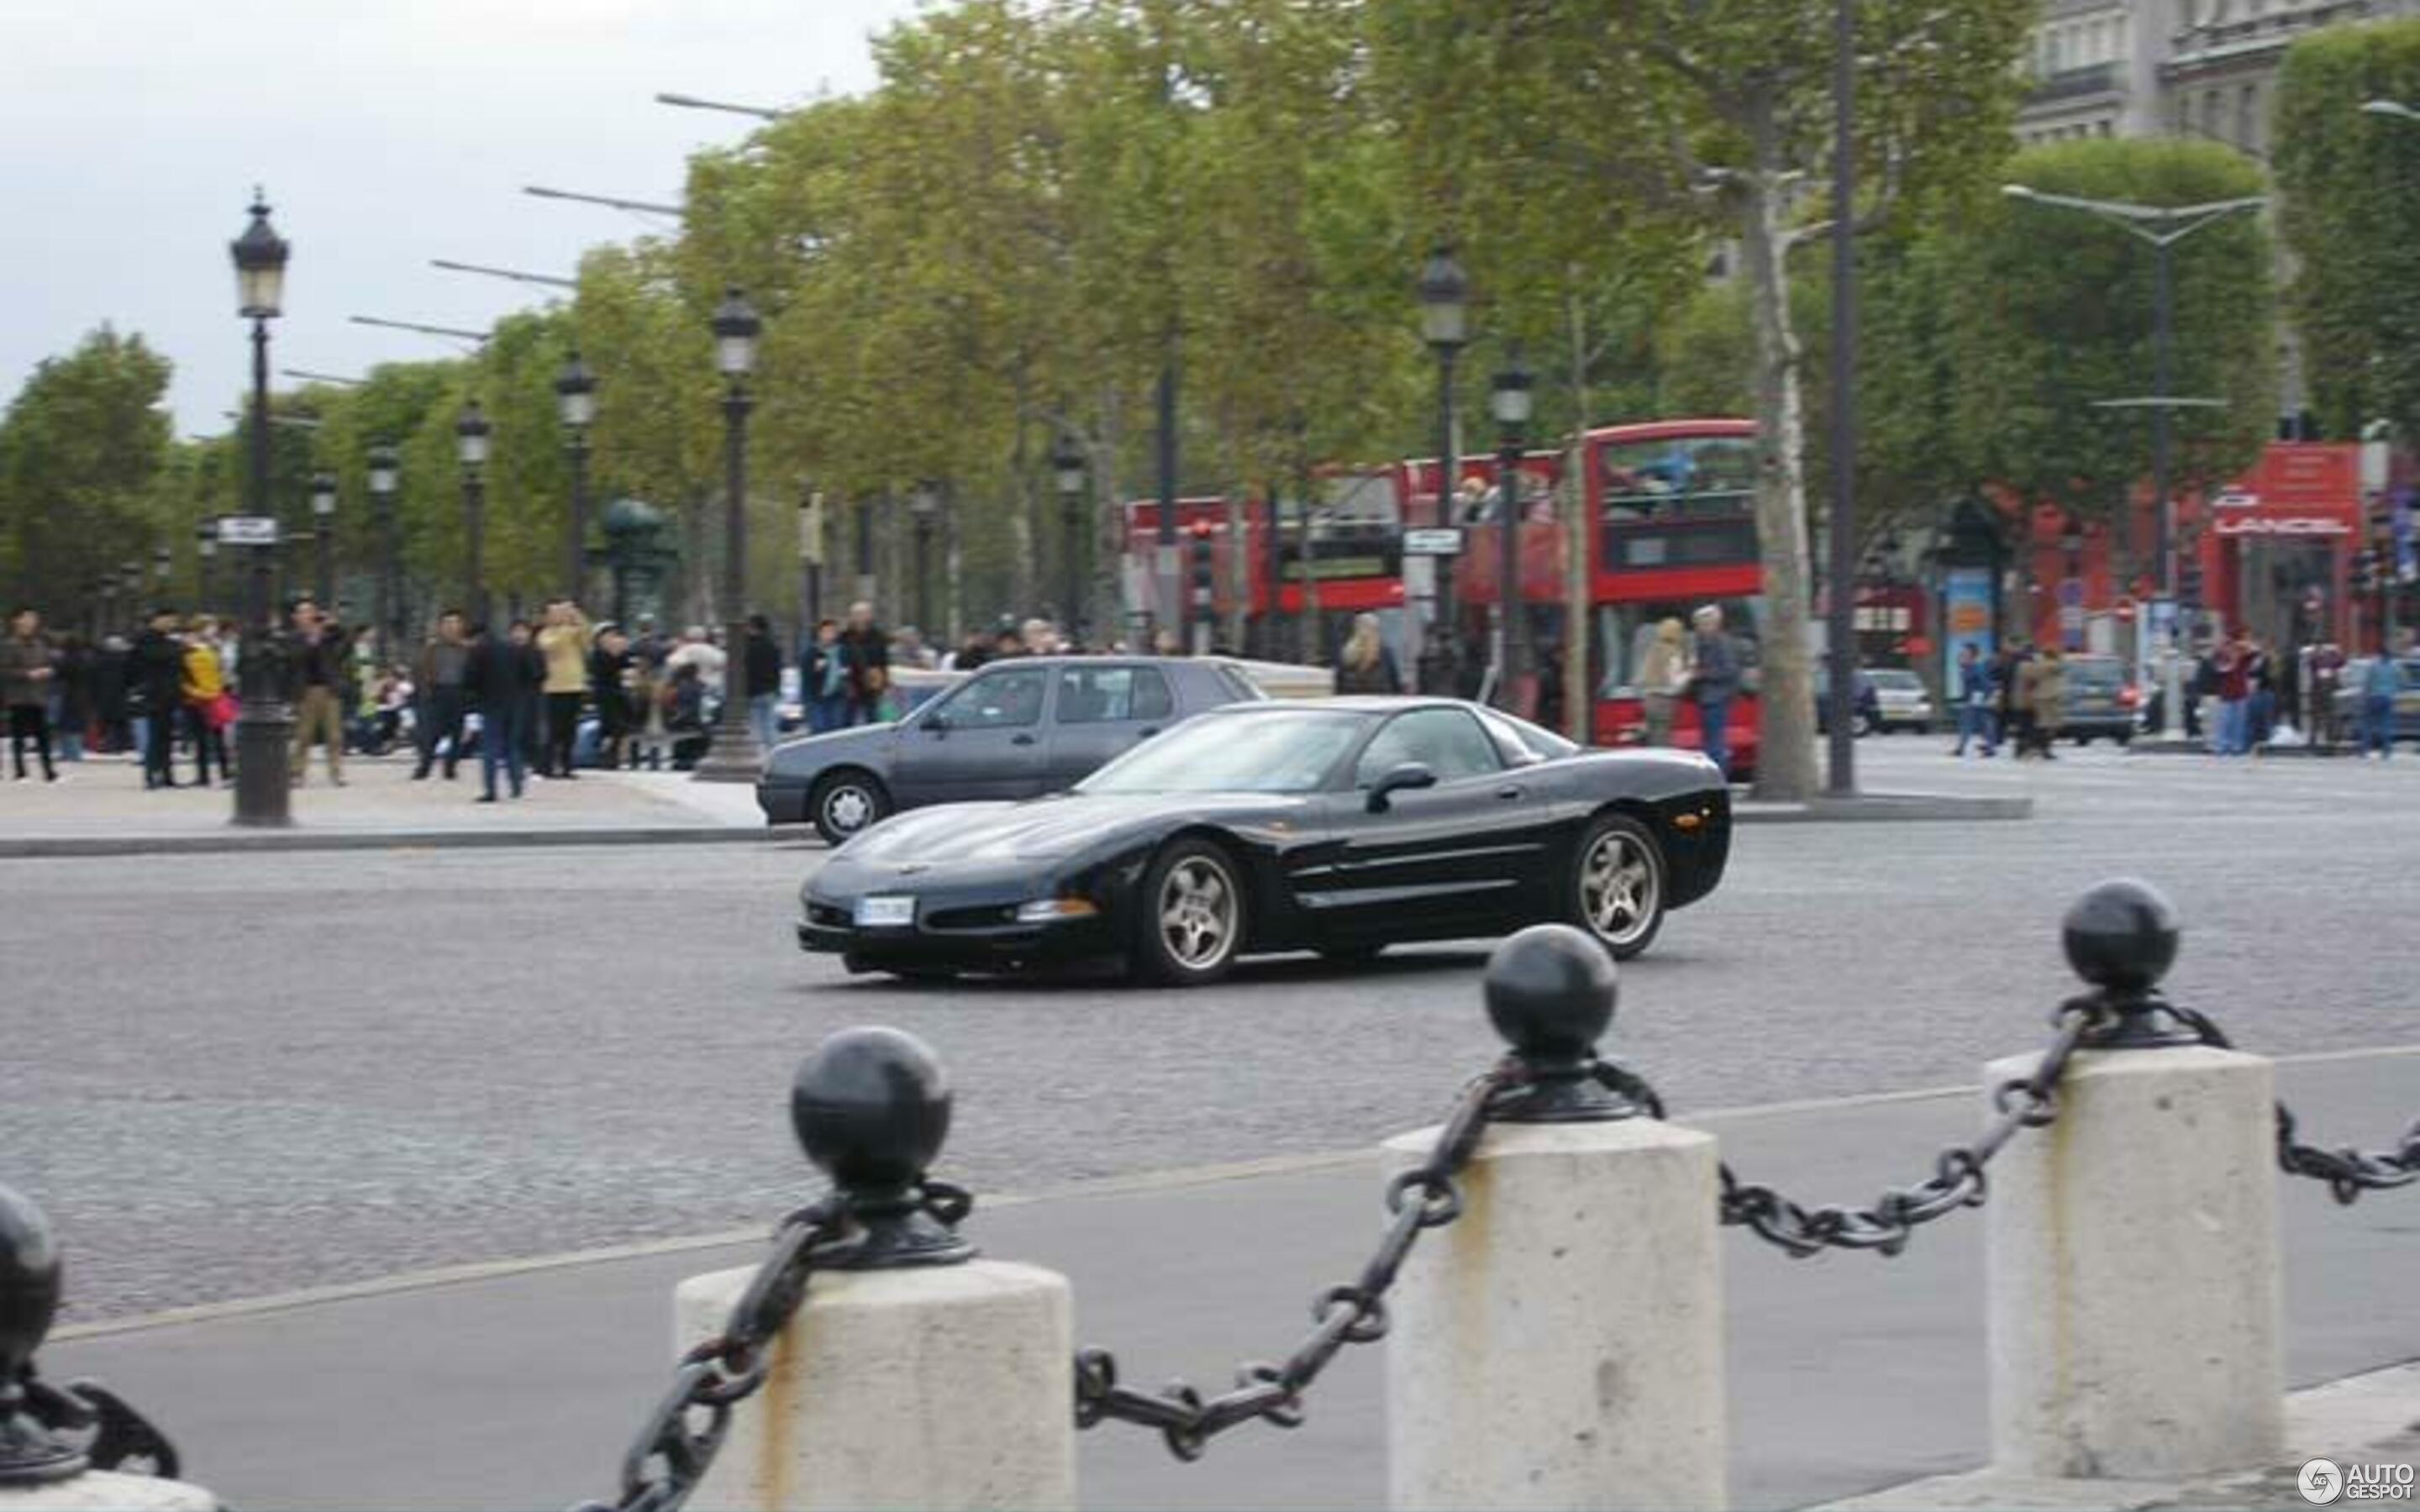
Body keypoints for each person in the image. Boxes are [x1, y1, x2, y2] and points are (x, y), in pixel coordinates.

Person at [465, 620, 541, 801]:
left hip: (490, 703)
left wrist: (475, 696)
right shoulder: (515, 649)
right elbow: (533, 674)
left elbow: (470, 678)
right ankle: (516, 786)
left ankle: (491, 790)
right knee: (513, 745)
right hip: (516, 702)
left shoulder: (478, 651)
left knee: (490, 747)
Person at [285, 599, 348, 786]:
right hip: (306, 690)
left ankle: (336, 773)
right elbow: (294, 660)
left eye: (310, 611)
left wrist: (335, 626)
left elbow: (345, 644)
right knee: (304, 734)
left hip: (329, 689)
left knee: (334, 735)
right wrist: (311, 641)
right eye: (303, 612)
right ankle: (297, 772)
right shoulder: (293, 638)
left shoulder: (327, 635)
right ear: (296, 618)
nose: (308, 616)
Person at [129, 606, 188, 790]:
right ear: (158, 620)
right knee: (155, 737)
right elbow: (156, 656)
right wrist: (179, 649)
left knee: (166, 737)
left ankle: (167, 775)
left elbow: (178, 661)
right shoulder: (145, 639)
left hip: (169, 694)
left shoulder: (168, 642)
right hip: (154, 694)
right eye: (170, 621)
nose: (173, 625)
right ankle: (151, 775)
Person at [536, 600, 593, 779]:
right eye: (554, 613)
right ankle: (547, 765)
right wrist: (567, 628)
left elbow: (587, 636)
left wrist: (577, 615)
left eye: (560, 612)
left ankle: (567, 765)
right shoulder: (544, 634)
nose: (558, 616)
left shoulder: (572, 632)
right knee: (554, 729)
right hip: (553, 687)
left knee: (570, 729)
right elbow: (553, 646)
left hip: (574, 685)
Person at [413, 612, 472, 780]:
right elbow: (422, 670)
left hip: (459, 692)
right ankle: (424, 766)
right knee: (432, 734)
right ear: (441, 627)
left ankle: (450, 767)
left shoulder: (467, 649)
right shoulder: (432, 649)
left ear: (461, 626)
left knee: (457, 733)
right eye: (447, 623)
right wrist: (425, 691)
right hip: (438, 692)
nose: (451, 627)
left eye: (455, 623)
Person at [2, 608, 60, 782]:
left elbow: (49, 663)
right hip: (18, 697)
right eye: (27, 619)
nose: (31, 622)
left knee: (43, 736)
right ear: (17, 621)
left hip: (38, 696)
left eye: (33, 619)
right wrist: (27, 674)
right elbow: (4, 671)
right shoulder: (9, 645)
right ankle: (20, 771)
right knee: (19, 736)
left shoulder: (40, 644)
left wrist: (48, 671)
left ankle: (49, 770)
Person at [1687, 604, 1740, 778]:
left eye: (1702, 624)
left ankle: (1717, 776)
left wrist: (1703, 674)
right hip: (1708, 697)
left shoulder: (1721, 643)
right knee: (1710, 741)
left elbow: (1729, 670)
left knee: (1715, 742)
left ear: (1714, 623)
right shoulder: (1705, 642)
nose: (1699, 628)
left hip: (1716, 697)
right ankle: (1713, 775)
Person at [181, 619, 231, 787]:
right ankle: (223, 773)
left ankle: (205, 776)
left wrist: (191, 691)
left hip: (198, 699)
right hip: (211, 697)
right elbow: (221, 674)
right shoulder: (212, 650)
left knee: (204, 739)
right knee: (215, 738)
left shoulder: (192, 653)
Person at [1639, 617, 1691, 748]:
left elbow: (1642, 676)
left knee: (1652, 738)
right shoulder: (1673, 652)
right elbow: (1675, 682)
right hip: (1665, 701)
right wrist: (1690, 673)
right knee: (1662, 740)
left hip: (1649, 700)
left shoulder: (1653, 649)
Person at [590, 624, 634, 771]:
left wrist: (622, 652)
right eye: (609, 636)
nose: (612, 639)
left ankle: (613, 756)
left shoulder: (621, 653)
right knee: (612, 725)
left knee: (620, 726)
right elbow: (603, 670)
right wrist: (615, 654)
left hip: (618, 692)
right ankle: (606, 756)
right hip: (605, 693)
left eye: (614, 635)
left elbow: (627, 667)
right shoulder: (598, 654)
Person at [839, 602, 889, 726]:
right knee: (846, 721)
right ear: (851, 616)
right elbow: (839, 661)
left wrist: (883, 682)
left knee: (873, 720)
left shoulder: (879, 636)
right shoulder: (844, 637)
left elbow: (883, 661)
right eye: (858, 614)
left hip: (872, 684)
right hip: (850, 684)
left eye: (865, 613)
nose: (862, 617)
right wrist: (845, 681)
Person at [743, 614, 783, 753]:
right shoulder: (772, 646)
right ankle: (775, 752)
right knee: (770, 725)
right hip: (770, 690)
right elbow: (777, 669)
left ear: (753, 627)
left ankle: (758, 754)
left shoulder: (747, 646)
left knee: (755, 726)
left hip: (752, 690)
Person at [1334, 612, 1402, 694]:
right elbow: (1395, 682)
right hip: (1379, 701)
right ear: (1375, 630)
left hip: (1352, 702)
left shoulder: (1347, 653)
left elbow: (1339, 683)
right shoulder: (1384, 652)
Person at [802, 618, 850, 733]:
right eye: (826, 631)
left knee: (837, 730)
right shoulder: (812, 652)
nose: (830, 635)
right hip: (816, 699)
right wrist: (815, 669)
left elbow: (848, 668)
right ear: (820, 633)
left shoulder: (842, 651)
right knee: (819, 729)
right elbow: (806, 676)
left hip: (837, 697)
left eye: (833, 631)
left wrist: (846, 673)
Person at [1949, 643, 1997, 758]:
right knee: (1981, 724)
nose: (1963, 653)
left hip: (1976, 698)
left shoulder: (1977, 667)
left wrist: (1987, 695)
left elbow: (1985, 683)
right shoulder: (1969, 666)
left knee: (1969, 723)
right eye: (1963, 652)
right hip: (1973, 698)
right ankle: (1989, 748)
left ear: (1972, 653)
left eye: (1966, 651)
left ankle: (1961, 749)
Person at [52, 633, 91, 763]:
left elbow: (59, 674)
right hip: (83, 695)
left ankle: (68, 753)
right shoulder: (85, 659)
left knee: (66, 725)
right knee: (76, 726)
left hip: (68, 694)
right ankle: (76, 753)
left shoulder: (66, 660)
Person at [2212, 635, 2249, 757]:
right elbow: (2222, 670)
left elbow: (2255, 650)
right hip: (2226, 696)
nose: (2229, 648)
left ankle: (2237, 747)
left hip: (2240, 694)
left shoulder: (2243, 658)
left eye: (2230, 645)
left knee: (2239, 723)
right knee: (2225, 722)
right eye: (2226, 646)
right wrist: (2233, 660)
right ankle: (2222, 747)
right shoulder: (2220, 658)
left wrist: (2242, 645)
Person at [2024, 646, 2065, 759]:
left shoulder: (2038, 665)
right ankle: (2043, 749)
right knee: (2050, 725)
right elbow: (2060, 669)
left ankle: (2037, 747)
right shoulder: (2054, 665)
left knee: (2042, 724)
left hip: (2039, 697)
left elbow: (2030, 676)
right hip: (2051, 698)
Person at [2360, 648, 2399, 760]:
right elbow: (2398, 682)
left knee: (2368, 725)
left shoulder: (2373, 666)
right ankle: (2386, 752)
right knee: (2386, 725)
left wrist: (2364, 697)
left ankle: (2365, 750)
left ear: (2380, 655)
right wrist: (2393, 694)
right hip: (2388, 698)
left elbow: (2367, 682)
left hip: (2373, 697)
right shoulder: (2394, 667)